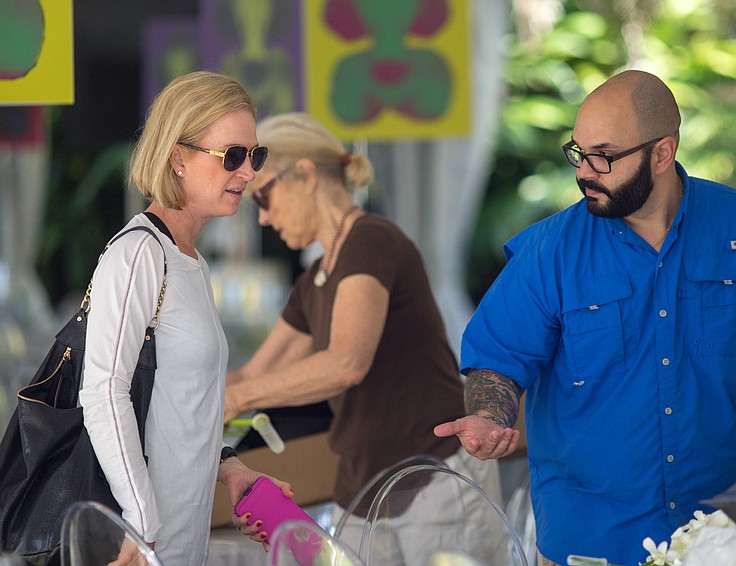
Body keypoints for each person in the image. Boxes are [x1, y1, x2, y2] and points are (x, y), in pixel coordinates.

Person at [434, 69, 736, 566]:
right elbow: (497, 359)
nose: (584, 172)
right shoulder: (548, 253)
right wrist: (490, 415)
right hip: (590, 541)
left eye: (604, 155)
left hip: (724, 536)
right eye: (578, 152)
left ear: (662, 153)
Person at [224, 112, 504, 559]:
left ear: (305, 174)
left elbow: (345, 363)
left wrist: (235, 400)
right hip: (363, 490)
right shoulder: (315, 278)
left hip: (433, 476)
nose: (262, 218)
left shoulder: (370, 239)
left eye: (262, 198)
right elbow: (255, 376)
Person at [79, 71, 292, 565]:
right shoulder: (138, 254)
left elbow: (178, 404)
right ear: (178, 157)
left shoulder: (189, 260)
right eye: (232, 156)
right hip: (141, 546)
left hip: (176, 541)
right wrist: (140, 527)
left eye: (254, 156)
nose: (248, 173)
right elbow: (103, 392)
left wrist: (229, 465)